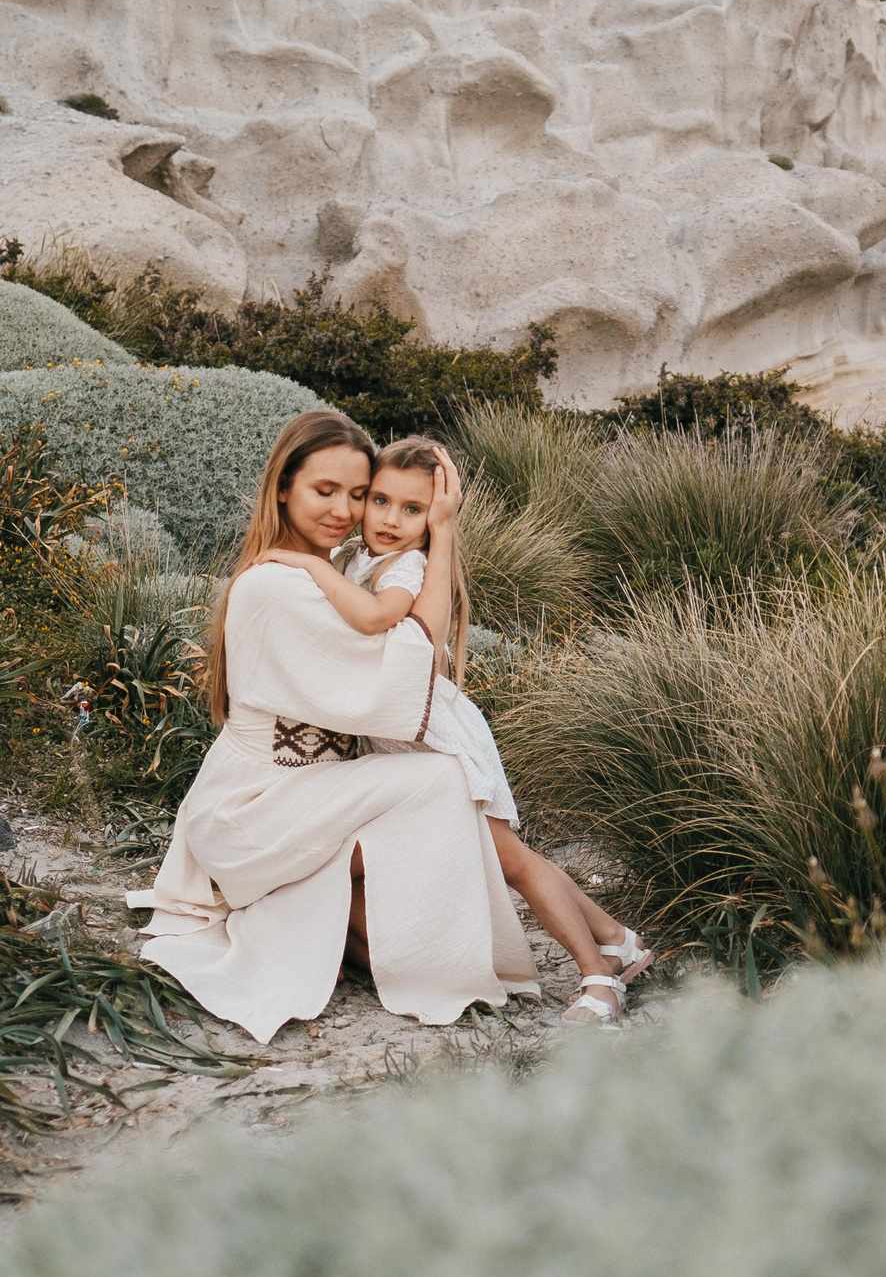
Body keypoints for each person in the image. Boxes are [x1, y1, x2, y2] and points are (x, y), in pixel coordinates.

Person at [124, 410, 541, 1044]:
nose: (346, 511)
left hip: (310, 801)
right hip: (256, 810)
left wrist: (431, 538)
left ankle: (603, 949)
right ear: (283, 485)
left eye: (356, 493)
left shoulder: (341, 568)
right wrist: (443, 540)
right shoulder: (280, 584)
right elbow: (414, 654)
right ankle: (591, 954)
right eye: (326, 491)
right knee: (438, 780)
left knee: (399, 921)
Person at [267, 435, 655, 1027]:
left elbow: (384, 620)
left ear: (434, 517)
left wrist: (302, 563)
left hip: (437, 739)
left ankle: (599, 976)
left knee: (511, 861)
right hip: (401, 744)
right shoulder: (355, 558)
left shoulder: (408, 566)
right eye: (380, 501)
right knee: (502, 857)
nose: (391, 519)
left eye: (414, 509)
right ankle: (618, 939)